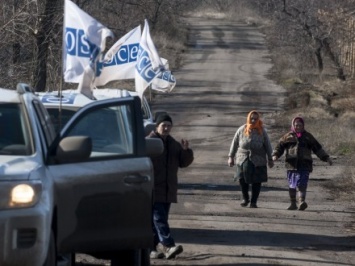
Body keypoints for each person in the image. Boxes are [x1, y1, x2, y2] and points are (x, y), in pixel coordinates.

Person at [148, 113, 194, 259]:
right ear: (157, 126)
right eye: (164, 125)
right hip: (153, 188)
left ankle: (151, 249)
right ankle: (168, 246)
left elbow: (183, 163)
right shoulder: (149, 142)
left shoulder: (173, 144)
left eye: (169, 125)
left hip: (168, 189)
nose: (166, 128)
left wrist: (186, 150)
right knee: (159, 219)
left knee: (159, 220)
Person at [272, 116, 333, 211]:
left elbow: (318, 149)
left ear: (303, 126)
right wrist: (275, 155)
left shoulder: (308, 137)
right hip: (291, 165)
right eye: (296, 125)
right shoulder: (287, 136)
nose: (298, 127)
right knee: (292, 185)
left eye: (300, 125)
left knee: (302, 184)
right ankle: (293, 203)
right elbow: (279, 147)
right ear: (293, 125)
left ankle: (301, 202)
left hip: (305, 164)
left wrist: (326, 158)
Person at [228, 110, 274, 208]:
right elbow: (235, 142)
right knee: (241, 178)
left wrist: (270, 159)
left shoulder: (262, 131)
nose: (253, 120)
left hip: (258, 159)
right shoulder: (242, 129)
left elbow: (268, 145)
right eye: (251, 118)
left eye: (255, 119)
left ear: (258, 119)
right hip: (242, 158)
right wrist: (231, 157)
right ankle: (245, 198)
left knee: (257, 180)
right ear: (248, 118)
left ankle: (254, 201)